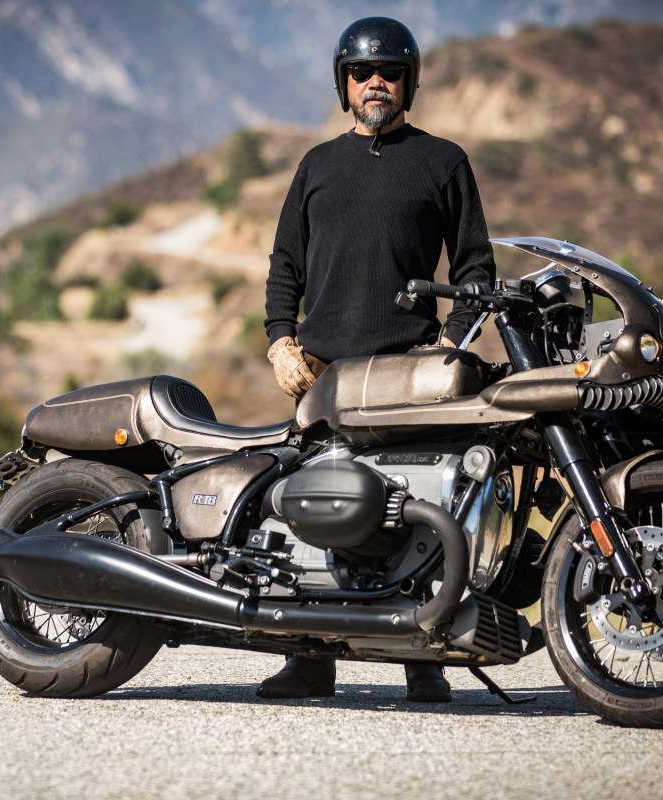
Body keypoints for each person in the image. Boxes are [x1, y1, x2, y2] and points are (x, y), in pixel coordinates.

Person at [260, 16, 496, 703]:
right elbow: (285, 264)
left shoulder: (443, 161)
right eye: (361, 73)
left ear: (408, 83)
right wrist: (279, 341)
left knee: (415, 509)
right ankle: (308, 659)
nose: (375, 83)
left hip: (406, 370)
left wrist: (451, 344)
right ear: (344, 85)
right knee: (310, 510)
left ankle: (424, 661)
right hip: (321, 372)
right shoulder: (316, 165)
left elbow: (476, 268)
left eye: (389, 72)